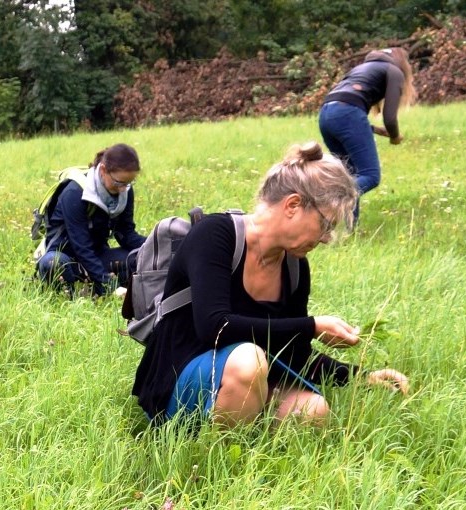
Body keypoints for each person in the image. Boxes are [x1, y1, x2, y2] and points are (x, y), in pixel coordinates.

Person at [131, 142, 409, 427]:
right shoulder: (214, 235)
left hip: (242, 377)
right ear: (293, 205)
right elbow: (215, 327)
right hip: (177, 379)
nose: (326, 238)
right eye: (326, 225)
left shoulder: (294, 266)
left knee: (314, 411)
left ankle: (245, 437)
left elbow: (293, 353)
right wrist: (312, 326)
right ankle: (212, 452)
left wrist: (361, 377)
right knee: (249, 360)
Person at [318, 47, 416, 222]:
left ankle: (350, 230)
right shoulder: (394, 71)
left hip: (326, 114)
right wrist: (394, 136)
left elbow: (341, 106)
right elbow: (390, 118)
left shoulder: (358, 70)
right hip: (347, 114)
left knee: (350, 177)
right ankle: (324, 202)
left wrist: (375, 129)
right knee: (370, 176)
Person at [36, 143, 146, 297]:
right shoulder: (74, 192)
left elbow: (126, 235)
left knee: (143, 257)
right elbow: (81, 247)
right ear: (103, 170)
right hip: (66, 258)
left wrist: (156, 245)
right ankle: (71, 295)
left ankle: (93, 289)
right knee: (52, 263)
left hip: (98, 256)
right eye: (119, 183)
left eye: (129, 183)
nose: (123, 189)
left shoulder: (125, 189)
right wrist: (110, 286)